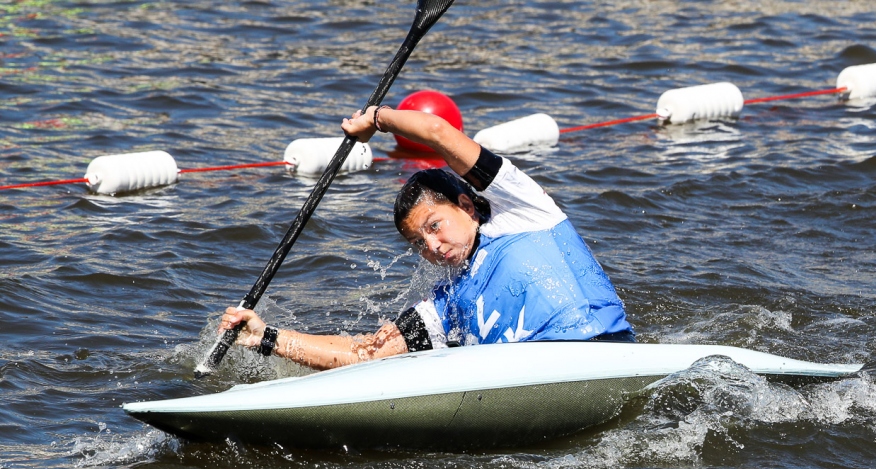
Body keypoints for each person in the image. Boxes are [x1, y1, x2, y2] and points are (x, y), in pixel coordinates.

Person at [218, 104, 634, 371]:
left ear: (466, 206)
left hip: (602, 353)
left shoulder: (523, 210)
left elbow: (437, 133)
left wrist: (377, 119)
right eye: (418, 243)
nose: (431, 248)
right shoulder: (446, 301)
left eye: (433, 226)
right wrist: (267, 337)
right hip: (530, 380)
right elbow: (367, 355)